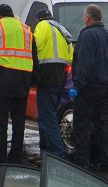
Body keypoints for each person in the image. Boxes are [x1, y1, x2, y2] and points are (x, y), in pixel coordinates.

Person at [0, 4, 38, 163]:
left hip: (2, 82)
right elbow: (34, 58)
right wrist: (32, 81)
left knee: (0, 122)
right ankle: (16, 157)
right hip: (22, 83)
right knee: (19, 122)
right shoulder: (27, 30)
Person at [72, 3, 108, 172]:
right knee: (102, 125)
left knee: (82, 125)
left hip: (89, 88)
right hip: (107, 87)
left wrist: (77, 86)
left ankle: (82, 162)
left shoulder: (87, 36)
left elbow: (84, 63)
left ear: (87, 18)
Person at [33, 9, 73, 159]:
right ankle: (45, 153)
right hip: (60, 76)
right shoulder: (62, 30)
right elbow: (70, 56)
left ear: (39, 19)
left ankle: (56, 154)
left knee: (47, 118)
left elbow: (34, 45)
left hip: (46, 76)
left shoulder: (42, 26)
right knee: (48, 116)